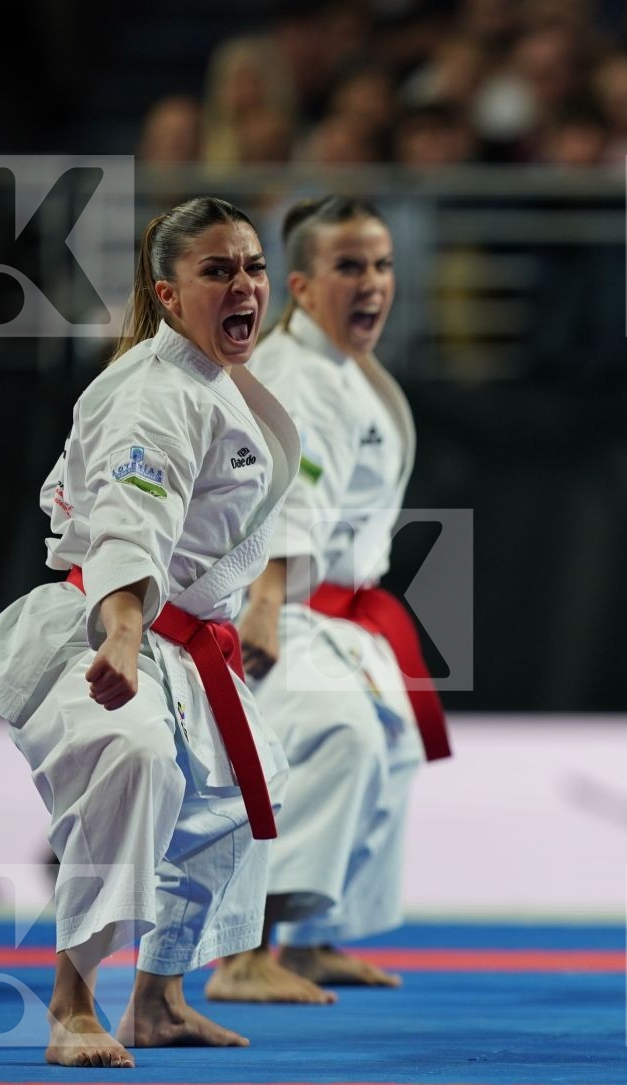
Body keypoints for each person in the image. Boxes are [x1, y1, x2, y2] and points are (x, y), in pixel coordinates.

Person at [0, 196, 301, 1067]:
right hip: (108, 631)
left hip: (181, 642)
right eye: (216, 270)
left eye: (252, 267)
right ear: (169, 293)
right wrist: (119, 631)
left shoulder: (213, 383)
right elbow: (128, 526)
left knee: (230, 806)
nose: (242, 285)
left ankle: (159, 1001)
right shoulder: (154, 394)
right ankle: (72, 1006)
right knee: (134, 762)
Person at [205, 196, 451, 1004]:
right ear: (304, 287)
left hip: (342, 607)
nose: (372, 282)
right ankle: (244, 951)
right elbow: (283, 502)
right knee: (335, 736)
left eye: (382, 265)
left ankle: (310, 941)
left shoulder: (347, 369)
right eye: (350, 267)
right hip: (282, 602)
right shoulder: (298, 377)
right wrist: (267, 609)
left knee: (395, 745)